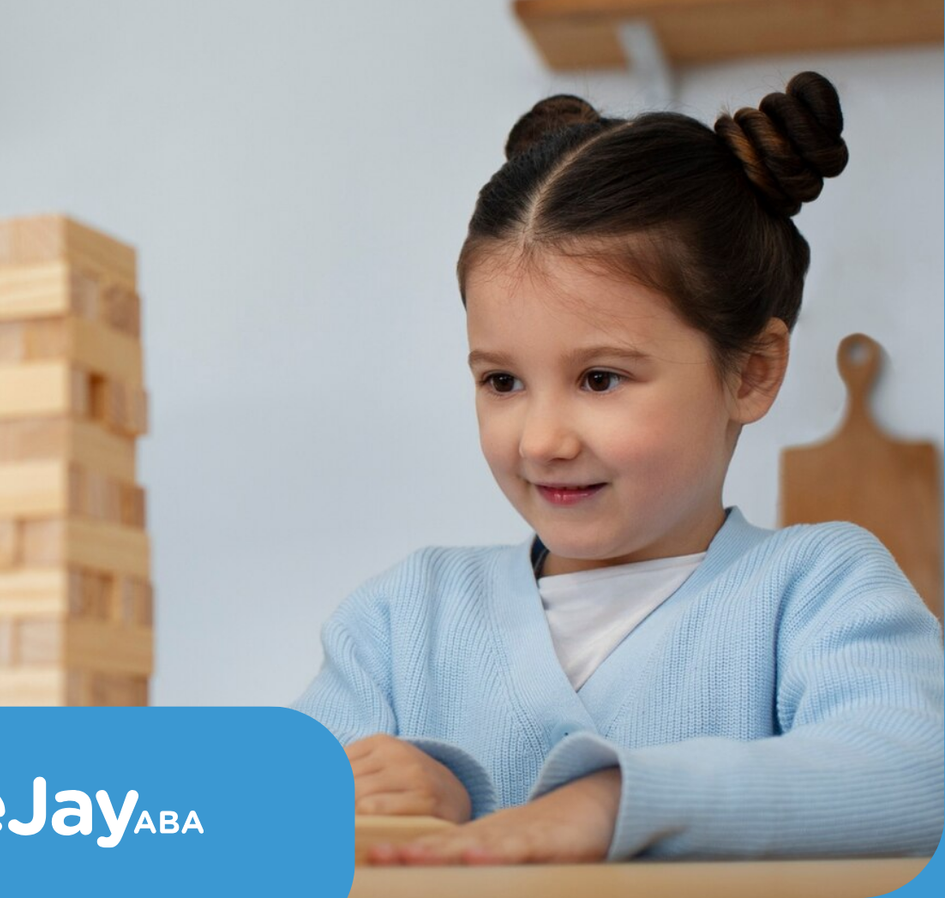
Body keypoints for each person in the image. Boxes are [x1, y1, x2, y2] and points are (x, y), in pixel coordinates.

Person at [294, 72, 944, 863]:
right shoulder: (402, 624)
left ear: (752, 373)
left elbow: (915, 773)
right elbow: (252, 826)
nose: (541, 441)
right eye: (502, 381)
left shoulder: (818, 591)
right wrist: (377, 804)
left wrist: (617, 805)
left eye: (600, 378)